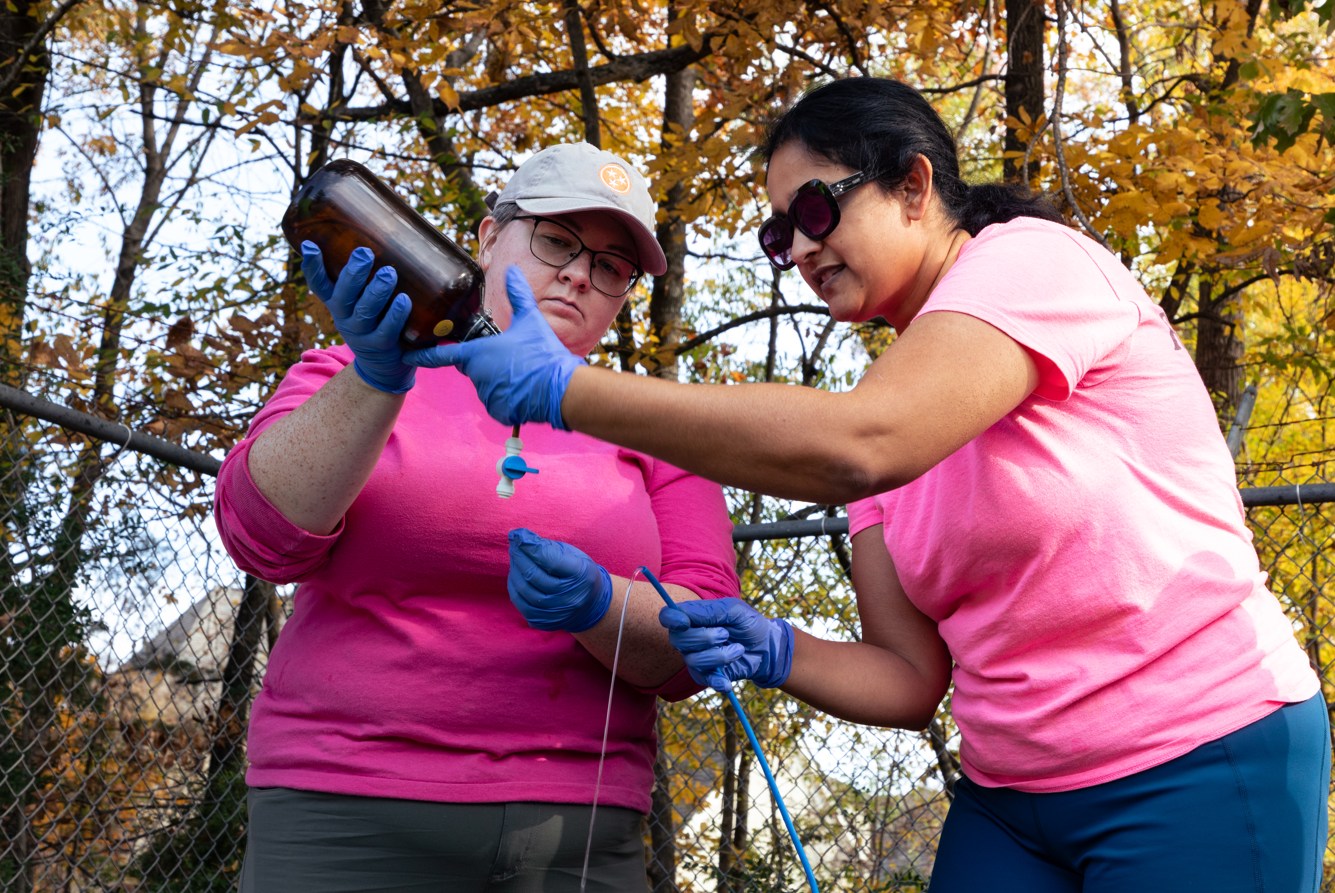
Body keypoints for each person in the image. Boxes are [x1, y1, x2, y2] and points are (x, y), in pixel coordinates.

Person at [411, 79, 1330, 892]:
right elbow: (908, 678)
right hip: (1013, 796)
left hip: (1197, 752)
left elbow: (861, 443)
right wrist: (775, 645)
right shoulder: (882, 425)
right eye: (779, 234)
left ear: (915, 185)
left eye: (813, 211)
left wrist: (571, 390)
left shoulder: (1030, 263)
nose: (799, 250)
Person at [213, 142, 740, 893]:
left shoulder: (659, 427)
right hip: (339, 806)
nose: (579, 273)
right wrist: (376, 376)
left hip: (572, 831)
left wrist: (601, 605)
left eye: (612, 267)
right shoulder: (344, 369)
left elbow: (700, 640)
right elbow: (259, 534)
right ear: (490, 238)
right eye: (558, 239)